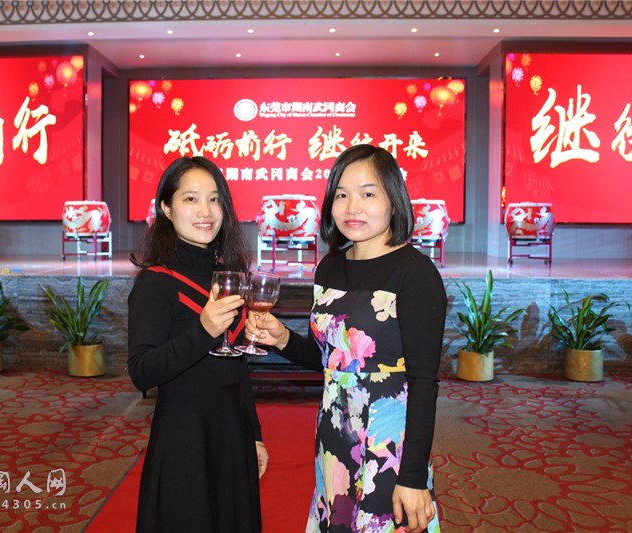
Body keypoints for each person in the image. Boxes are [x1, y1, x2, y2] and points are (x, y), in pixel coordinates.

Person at [246, 144, 447, 533]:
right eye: (341, 195)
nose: (353, 206)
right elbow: (332, 360)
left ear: (394, 200)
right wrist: (283, 338)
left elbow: (424, 383)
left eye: (368, 193)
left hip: (388, 443)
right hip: (335, 433)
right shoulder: (330, 267)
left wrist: (413, 477)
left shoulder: (416, 273)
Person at [127, 156, 268, 533]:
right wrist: (202, 331)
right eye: (190, 199)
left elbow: (237, 366)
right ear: (166, 208)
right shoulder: (155, 282)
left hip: (232, 436)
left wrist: (254, 434)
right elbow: (141, 372)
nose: (205, 211)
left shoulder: (229, 276)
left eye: (214, 199)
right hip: (184, 440)